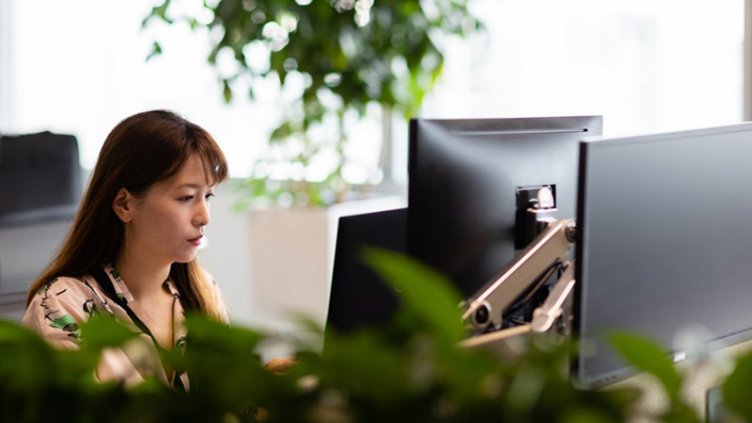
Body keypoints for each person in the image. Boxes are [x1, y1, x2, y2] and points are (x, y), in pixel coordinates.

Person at [23, 110, 229, 389]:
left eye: (207, 196)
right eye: (186, 197)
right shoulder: (60, 305)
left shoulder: (203, 290)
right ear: (124, 204)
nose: (204, 217)